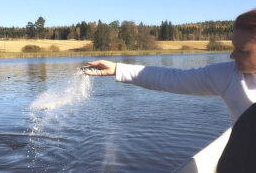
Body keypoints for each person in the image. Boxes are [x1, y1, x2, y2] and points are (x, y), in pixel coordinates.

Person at [84, 9, 256, 173]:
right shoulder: (229, 75)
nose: (232, 55)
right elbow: (173, 78)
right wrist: (117, 69)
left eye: (242, 50)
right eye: (233, 47)